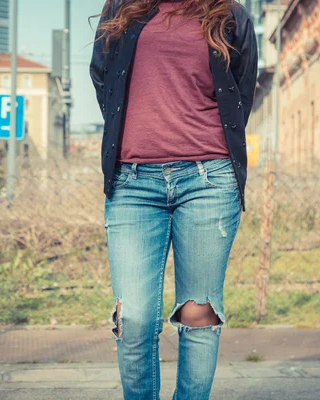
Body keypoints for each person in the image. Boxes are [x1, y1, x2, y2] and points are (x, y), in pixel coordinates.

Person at [89, 0, 257, 399]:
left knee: (198, 314)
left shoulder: (229, 15)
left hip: (209, 180)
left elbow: (242, 92)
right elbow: (104, 79)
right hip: (132, 183)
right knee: (133, 319)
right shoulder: (123, 9)